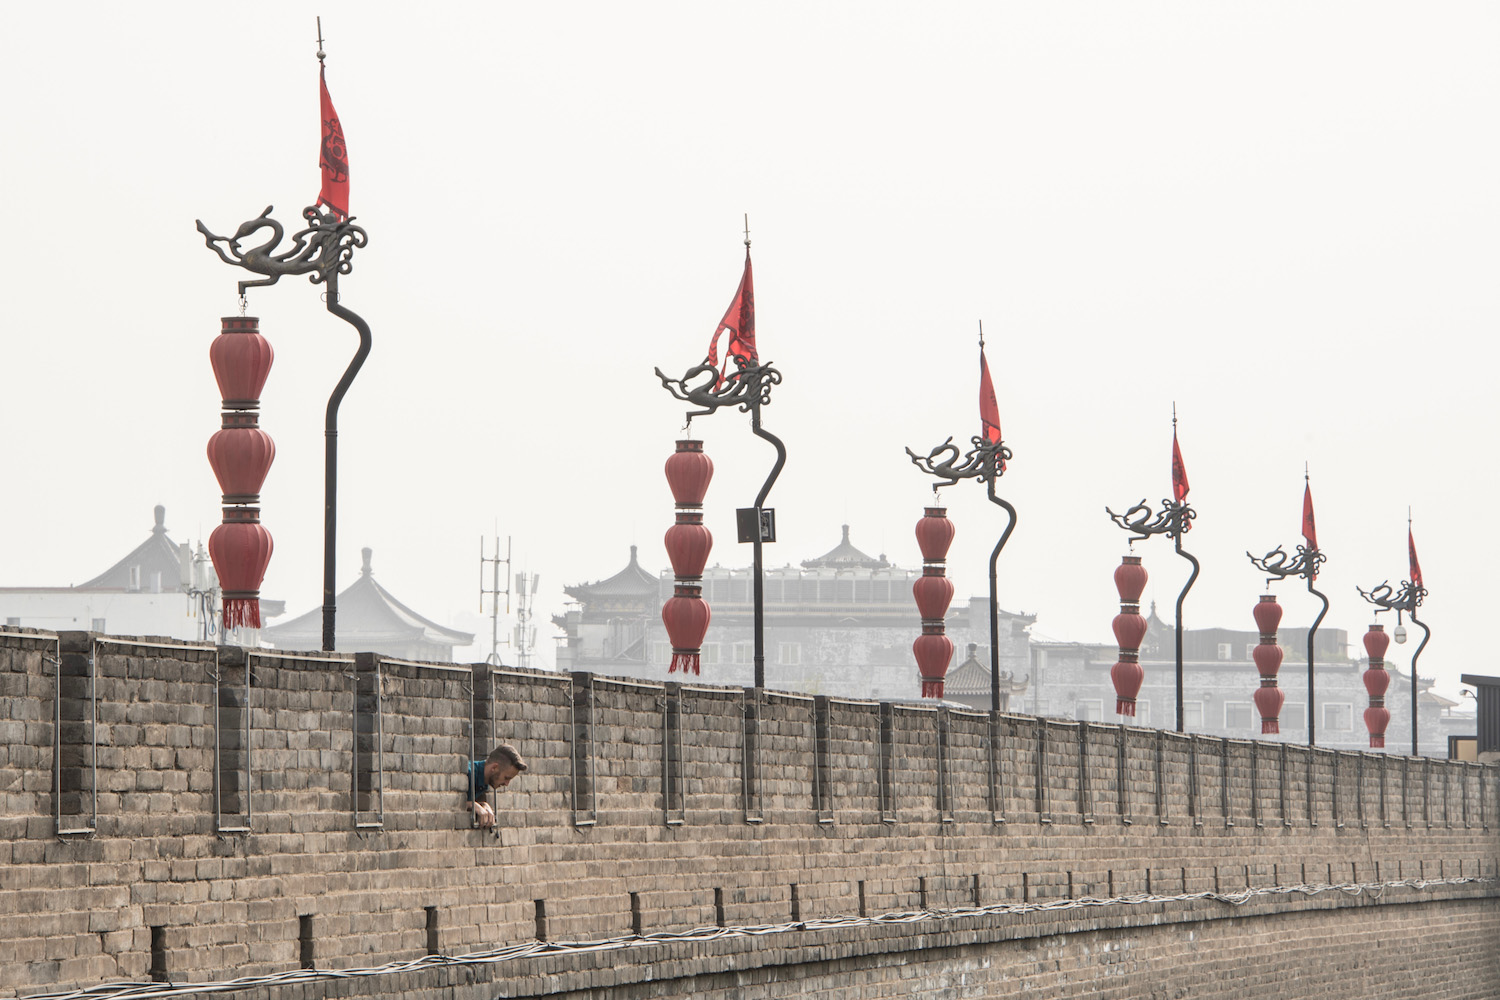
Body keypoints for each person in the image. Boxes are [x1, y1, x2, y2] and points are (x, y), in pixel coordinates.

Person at [466, 743, 527, 828]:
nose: (507, 784)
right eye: (506, 778)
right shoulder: (465, 773)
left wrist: (482, 805)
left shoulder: (483, 781)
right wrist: (472, 805)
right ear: (494, 768)